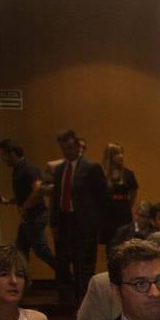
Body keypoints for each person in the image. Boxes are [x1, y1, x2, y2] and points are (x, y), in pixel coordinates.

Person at [46, 128, 107, 301]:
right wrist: (54, 223)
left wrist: (97, 225)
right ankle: (66, 298)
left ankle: (85, 299)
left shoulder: (91, 168)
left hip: (84, 223)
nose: (67, 152)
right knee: (63, 260)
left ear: (78, 146)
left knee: (84, 263)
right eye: (63, 148)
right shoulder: (59, 170)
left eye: (70, 148)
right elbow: (55, 198)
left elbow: (102, 197)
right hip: (64, 220)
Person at [0, 140, 55, 270]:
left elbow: (38, 190)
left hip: (36, 216)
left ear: (12, 153)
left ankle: (65, 273)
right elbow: (25, 195)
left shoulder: (28, 168)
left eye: (3, 155)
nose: (2, 159)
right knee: (21, 250)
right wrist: (9, 201)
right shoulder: (18, 169)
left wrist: (25, 206)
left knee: (40, 250)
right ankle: (21, 279)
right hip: (28, 217)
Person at [101, 143, 139, 246]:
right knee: (110, 244)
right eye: (117, 153)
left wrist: (127, 205)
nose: (121, 156)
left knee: (125, 242)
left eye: (122, 153)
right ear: (110, 156)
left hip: (123, 211)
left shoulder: (128, 174)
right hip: (108, 214)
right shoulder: (102, 174)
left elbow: (133, 192)